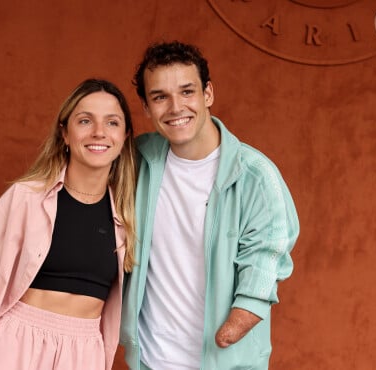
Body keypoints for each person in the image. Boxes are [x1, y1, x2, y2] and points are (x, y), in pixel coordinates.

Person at [120, 41, 299, 369]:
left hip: (225, 362)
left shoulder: (255, 175)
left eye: (187, 92)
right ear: (146, 107)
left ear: (208, 94)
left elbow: (267, 255)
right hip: (149, 361)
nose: (176, 107)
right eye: (160, 97)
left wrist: (236, 323)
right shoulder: (136, 160)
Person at [0, 78, 136, 370]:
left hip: (84, 353)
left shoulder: (130, 214)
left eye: (112, 123)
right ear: (65, 134)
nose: (99, 132)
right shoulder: (26, 198)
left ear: (125, 137)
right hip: (15, 345)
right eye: (84, 121)